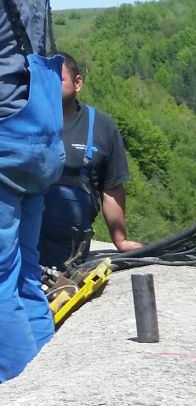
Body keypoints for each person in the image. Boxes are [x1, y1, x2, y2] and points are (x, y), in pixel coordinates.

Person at [0, 0, 65, 383]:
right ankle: (55, 383)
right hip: (39, 135)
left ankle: (25, 404)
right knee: (24, 272)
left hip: (4, 131)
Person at [39, 52, 142, 269]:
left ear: (78, 83)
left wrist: (120, 240)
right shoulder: (24, 123)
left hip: (69, 250)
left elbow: (112, 189)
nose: (48, 87)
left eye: (57, 80)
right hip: (25, 242)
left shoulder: (102, 126)